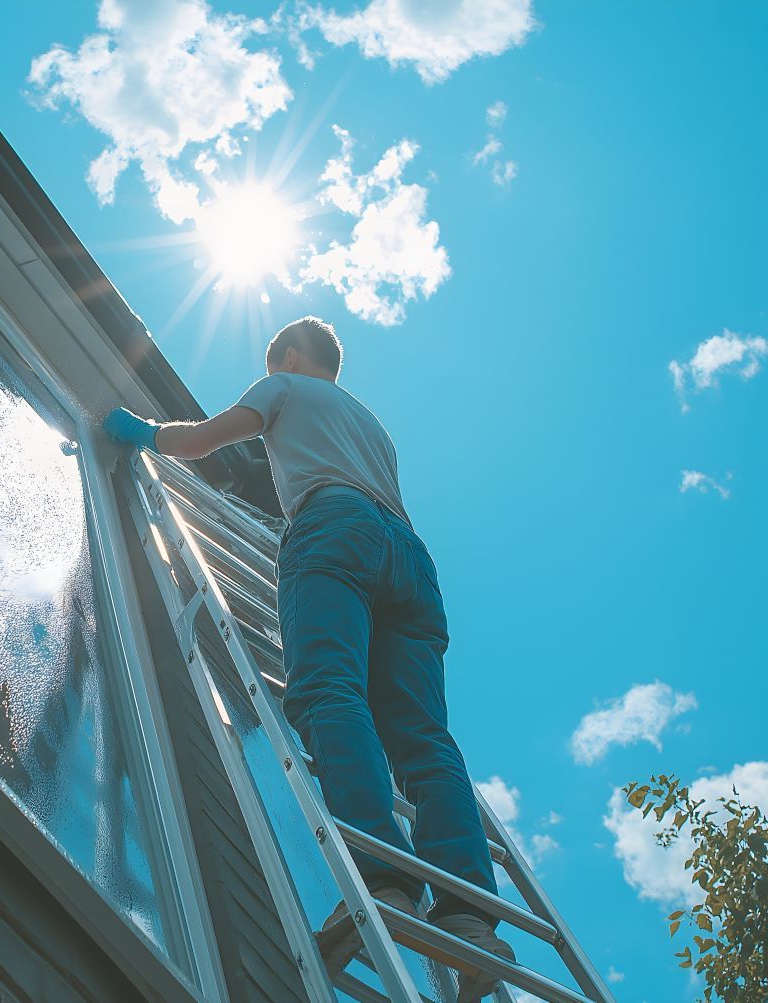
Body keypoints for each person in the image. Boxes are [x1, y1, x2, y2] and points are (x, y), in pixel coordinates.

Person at [103, 316, 514, 998]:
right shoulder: (370, 423)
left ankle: (382, 877)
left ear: (291, 355)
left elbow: (205, 440)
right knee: (421, 736)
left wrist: (143, 433)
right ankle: (471, 917)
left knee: (329, 690)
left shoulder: (283, 384)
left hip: (334, 529)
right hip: (410, 561)